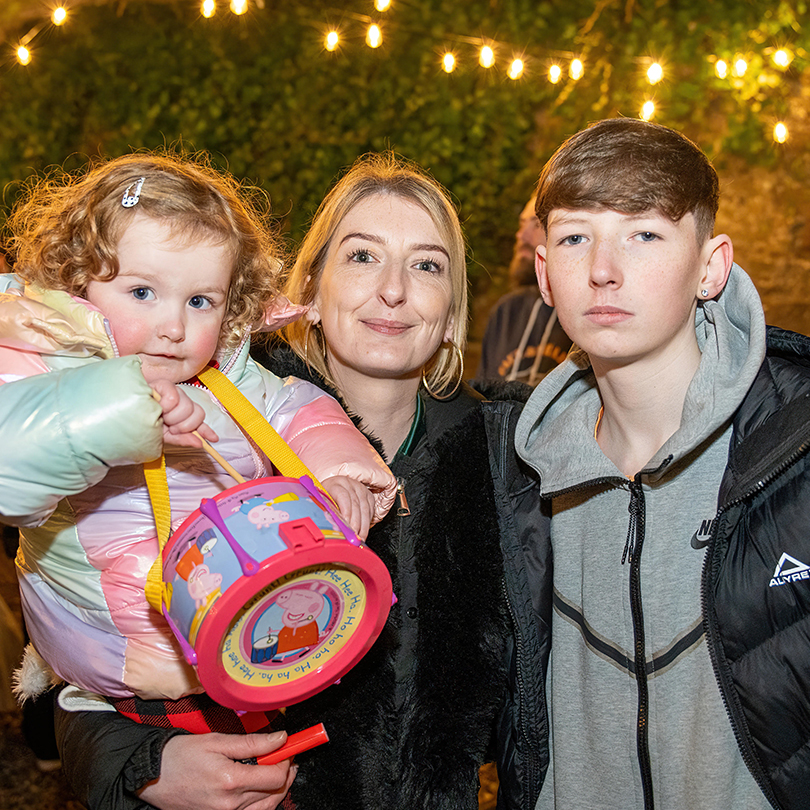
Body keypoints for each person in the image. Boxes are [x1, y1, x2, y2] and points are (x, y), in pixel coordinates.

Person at [51, 152, 542, 810]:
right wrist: (148, 764)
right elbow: (76, 640)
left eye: (427, 265)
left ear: (452, 309)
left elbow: (542, 694)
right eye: (362, 256)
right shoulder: (206, 417)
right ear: (309, 285)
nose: (393, 290)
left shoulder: (508, 459)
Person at [0, 152, 398, 808]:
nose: (174, 327)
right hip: (124, 685)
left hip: (243, 652)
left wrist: (341, 476)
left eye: (200, 301)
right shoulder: (40, 363)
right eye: (142, 292)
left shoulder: (229, 379)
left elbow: (300, 409)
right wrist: (125, 406)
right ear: (77, 281)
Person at [505, 117, 810, 809]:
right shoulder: (520, 474)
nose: (603, 270)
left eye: (644, 234)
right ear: (545, 274)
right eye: (575, 237)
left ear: (711, 268)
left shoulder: (793, 448)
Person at [475, 195, 570, 385]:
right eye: (521, 224)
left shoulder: (584, 311)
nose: (521, 235)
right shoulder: (506, 312)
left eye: (536, 225)